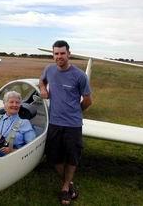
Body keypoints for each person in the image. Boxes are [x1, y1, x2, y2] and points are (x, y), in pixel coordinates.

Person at [39, 40, 92, 205]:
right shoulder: (49, 69)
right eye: (56, 53)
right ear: (53, 54)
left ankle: (64, 189)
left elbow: (88, 101)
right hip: (54, 122)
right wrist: (42, 89)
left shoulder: (79, 76)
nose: (59, 56)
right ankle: (69, 183)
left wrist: (75, 112)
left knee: (72, 158)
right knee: (53, 158)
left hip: (73, 125)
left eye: (62, 53)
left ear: (69, 53)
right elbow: (42, 81)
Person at [0, 91, 36, 157]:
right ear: (5, 104)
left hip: (11, 157)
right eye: (11, 102)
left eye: (17, 103)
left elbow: (32, 146)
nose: (15, 105)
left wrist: (13, 150)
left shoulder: (25, 123)